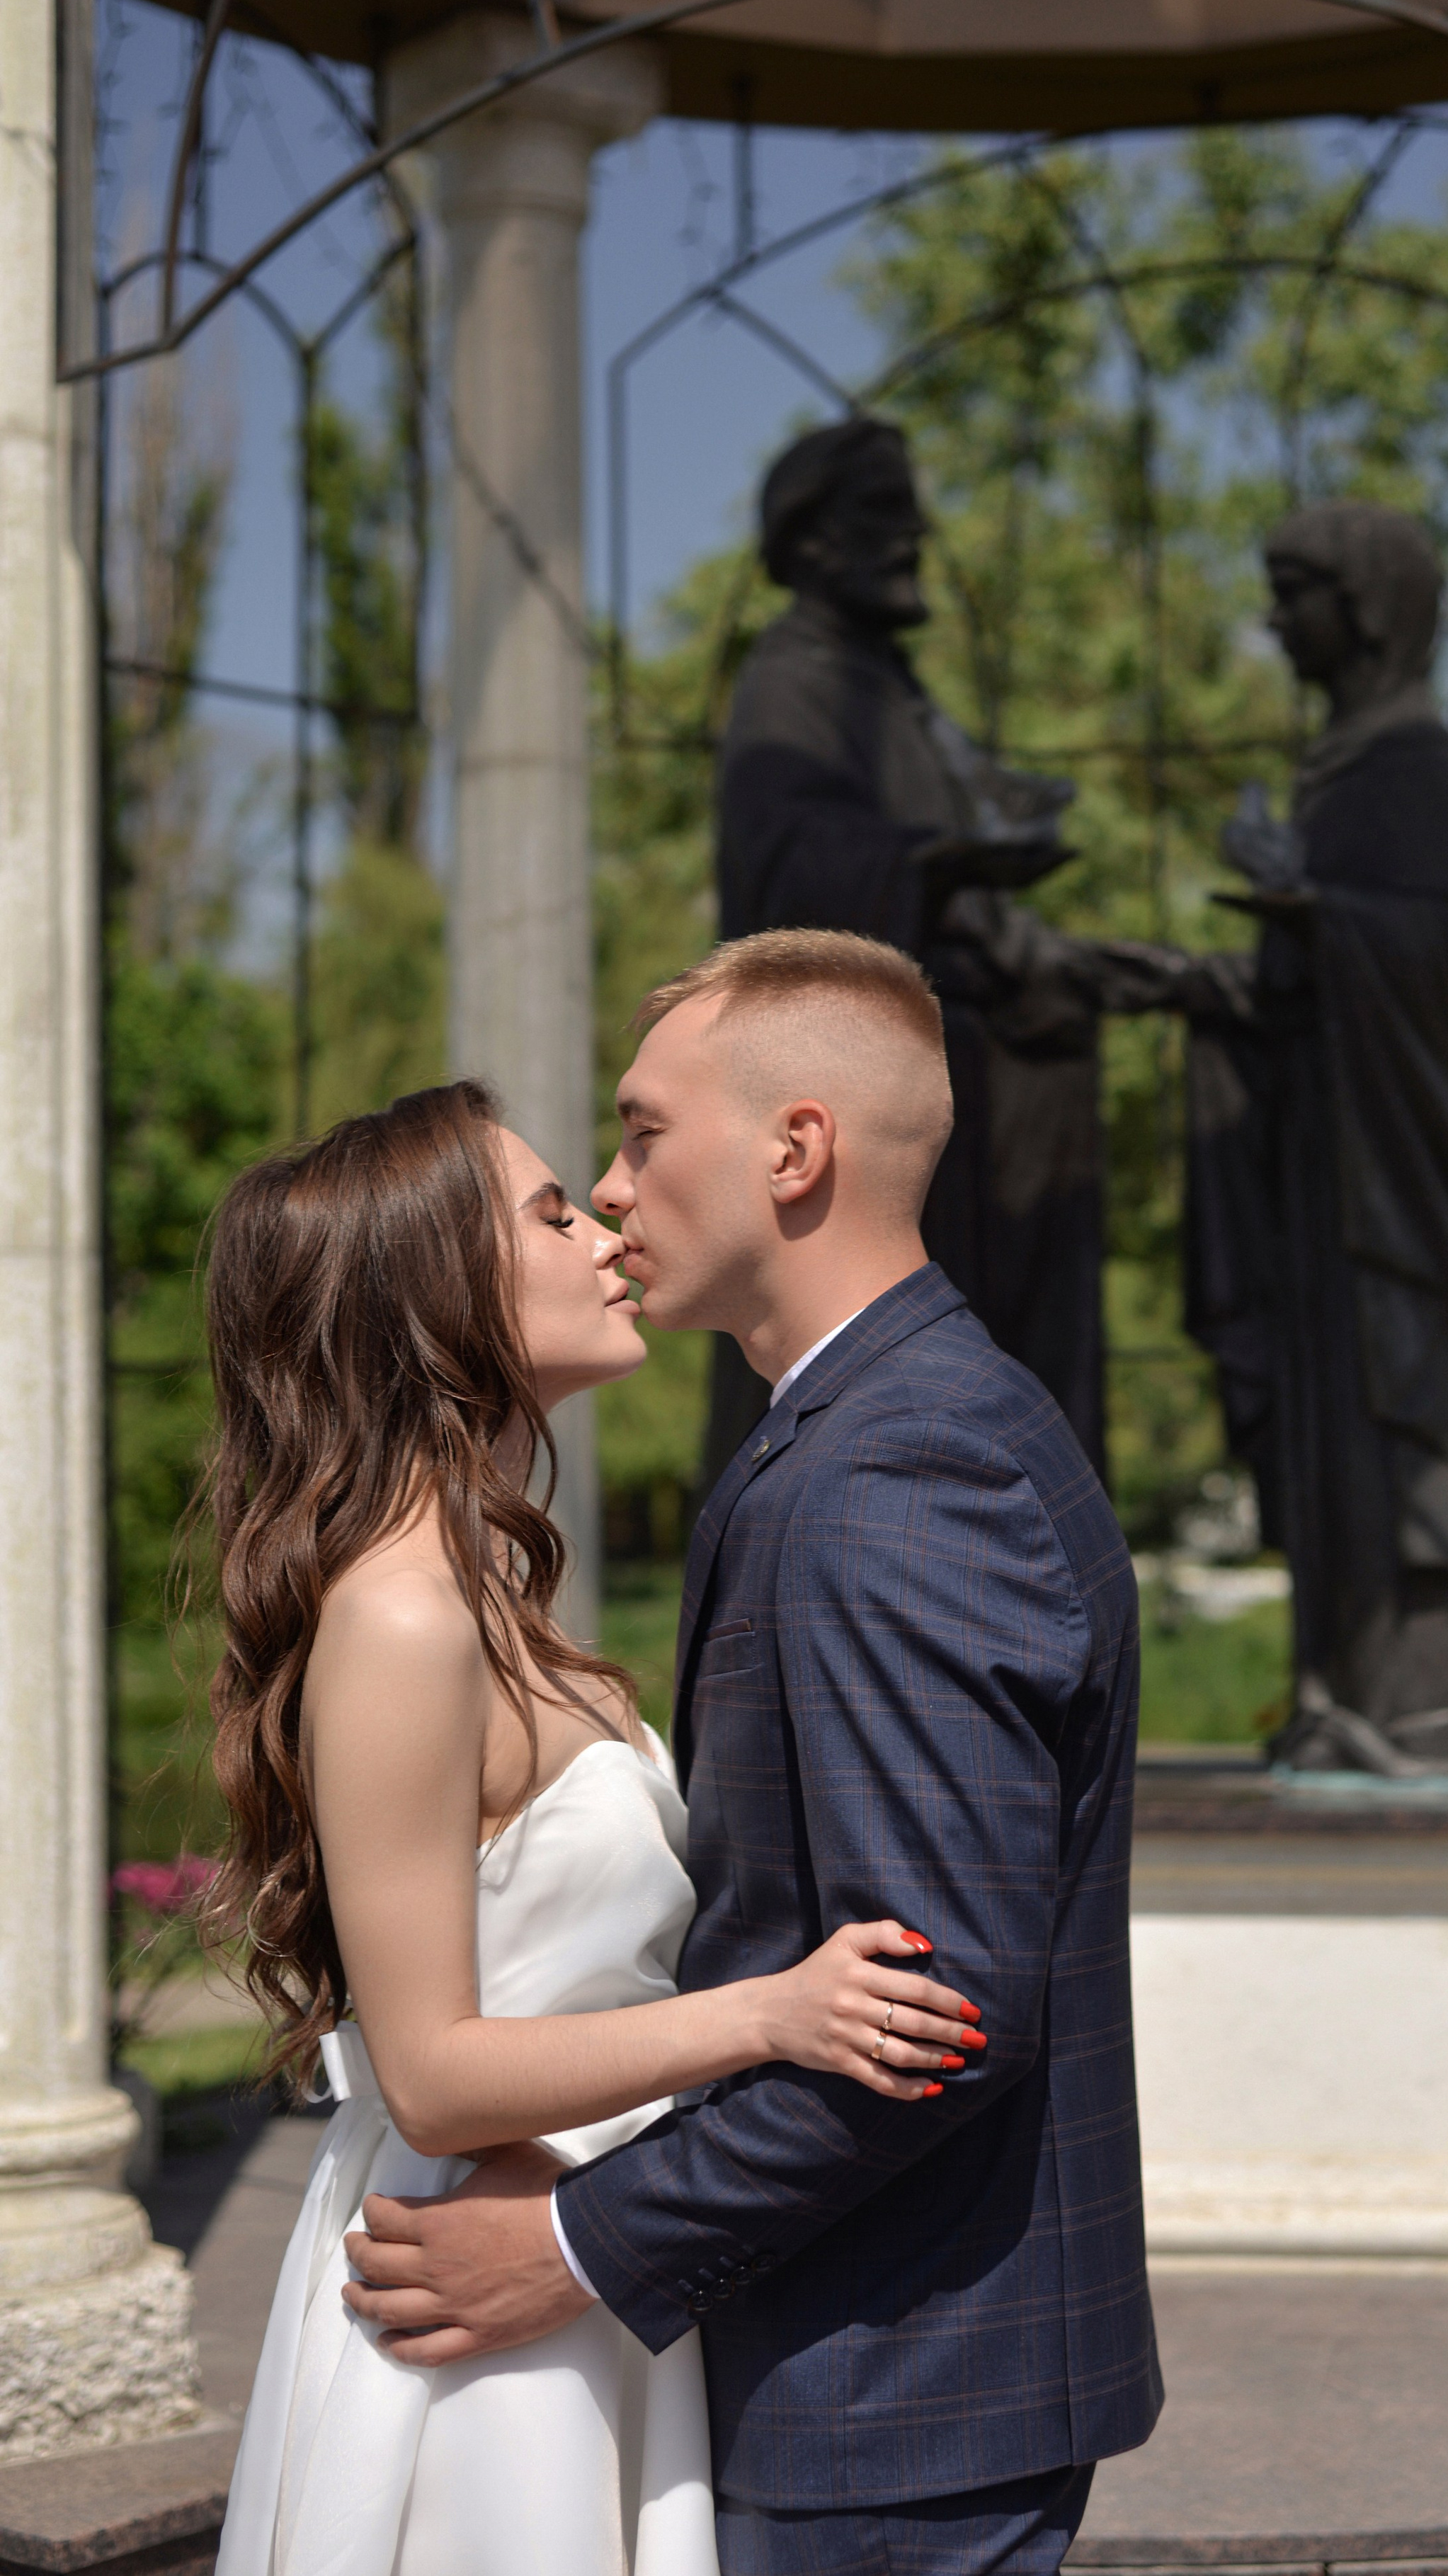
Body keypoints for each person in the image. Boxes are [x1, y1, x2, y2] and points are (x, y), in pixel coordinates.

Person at [339, 932, 1163, 2576]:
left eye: (642, 1133)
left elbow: (935, 2011)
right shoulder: (860, 1434)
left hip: (881, 2389)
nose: (610, 1183)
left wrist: (575, 2244)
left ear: (795, 1150)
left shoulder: (897, 1469)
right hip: (840, 2365)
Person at [205, 1080, 979, 2576]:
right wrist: (774, 2015)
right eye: (551, 1209)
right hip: (469, 2305)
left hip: (573, 2260)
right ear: (437, 1292)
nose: (606, 1223)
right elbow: (430, 2073)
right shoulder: (402, 1615)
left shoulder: (489, 1588)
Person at [707, 414, 1195, 1482]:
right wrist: (940, 865)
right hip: (867, 1130)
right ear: (813, 539)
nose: (915, 533)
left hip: (971, 1105)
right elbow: (786, 879)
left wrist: (1070, 962)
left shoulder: (896, 694)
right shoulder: (796, 681)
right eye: (884, 512)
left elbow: (965, 924)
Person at [1182, 501, 1448, 1777]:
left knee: (1416, 1420)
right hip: (1333, 1183)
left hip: (1405, 1191)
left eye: (1299, 592)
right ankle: (1359, 1693)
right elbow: (1300, 988)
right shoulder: (1345, 767)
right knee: (1347, 1439)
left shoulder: (1408, 772)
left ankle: (1434, 1711)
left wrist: (1303, 898)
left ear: (1374, 605)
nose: (1277, 619)